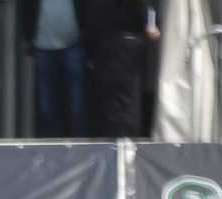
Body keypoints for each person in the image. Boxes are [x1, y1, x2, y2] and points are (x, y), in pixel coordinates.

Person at [83, 0, 160, 137]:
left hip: (116, 38)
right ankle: (121, 140)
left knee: (120, 94)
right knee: (121, 94)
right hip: (119, 38)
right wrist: (150, 24)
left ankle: (122, 140)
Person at [21, 0, 90, 137]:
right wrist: (29, 38)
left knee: (77, 106)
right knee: (46, 108)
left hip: (73, 45)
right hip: (43, 47)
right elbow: (25, 10)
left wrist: (86, 39)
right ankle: (51, 151)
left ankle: (80, 147)